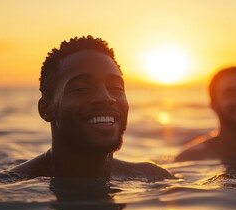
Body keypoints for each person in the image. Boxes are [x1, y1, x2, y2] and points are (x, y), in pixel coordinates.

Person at [11, 35, 173, 180]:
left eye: (115, 88)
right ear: (46, 109)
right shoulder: (14, 187)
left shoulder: (153, 177)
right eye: (81, 88)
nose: (106, 98)